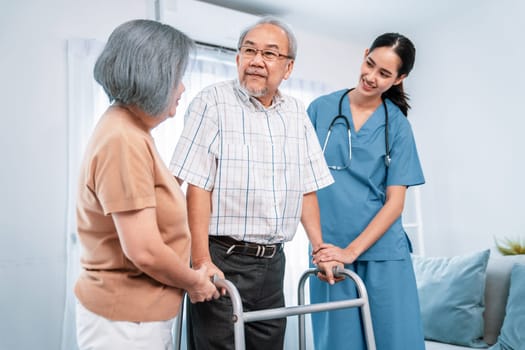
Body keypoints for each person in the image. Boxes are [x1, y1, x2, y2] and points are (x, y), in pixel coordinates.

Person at [169, 16, 339, 350]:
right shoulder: (211, 102)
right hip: (222, 257)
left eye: (270, 54)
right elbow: (196, 186)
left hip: (273, 263)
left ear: (288, 68)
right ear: (237, 59)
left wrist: (320, 248)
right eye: (249, 51)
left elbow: (306, 187)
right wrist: (201, 260)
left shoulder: (297, 114)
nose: (257, 60)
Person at [74, 19, 219, 350]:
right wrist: (194, 283)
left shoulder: (130, 130)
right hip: (126, 321)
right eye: (177, 78)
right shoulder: (123, 140)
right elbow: (144, 250)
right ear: (154, 78)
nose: (182, 89)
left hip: (135, 317)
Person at [308, 32, 426, 350]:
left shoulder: (397, 125)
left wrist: (352, 251)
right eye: (369, 64)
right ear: (364, 55)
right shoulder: (319, 109)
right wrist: (322, 248)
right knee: (339, 344)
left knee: (396, 342)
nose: (371, 77)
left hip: (384, 254)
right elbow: (303, 186)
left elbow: (395, 203)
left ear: (399, 79)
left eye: (384, 73)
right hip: (330, 254)